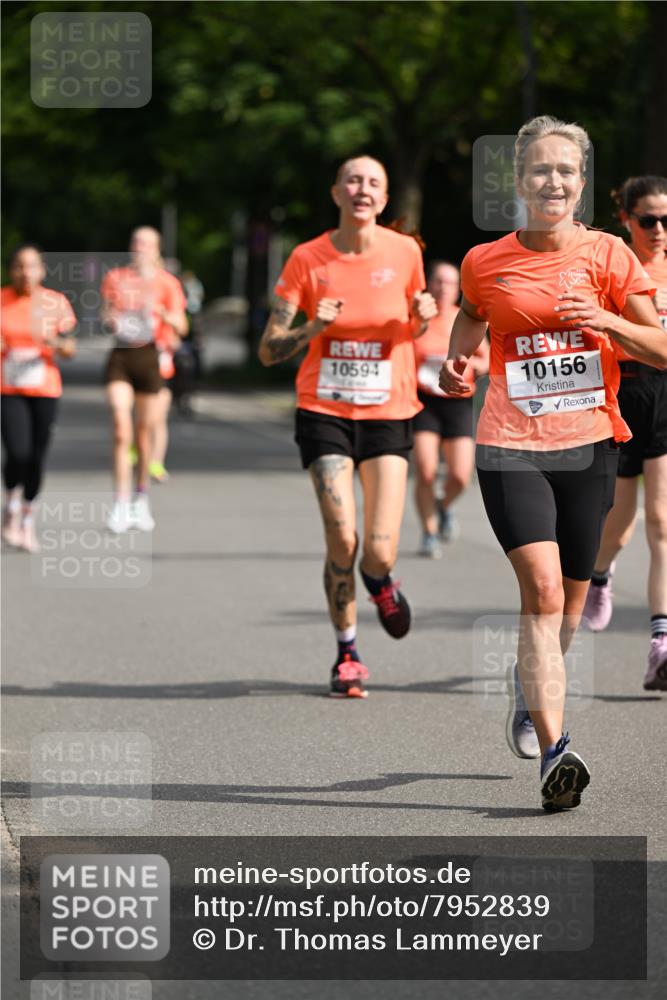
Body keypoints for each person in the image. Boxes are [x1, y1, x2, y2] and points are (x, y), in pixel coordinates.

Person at [439, 116, 665, 810]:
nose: (553, 180)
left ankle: (527, 686)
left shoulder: (608, 257)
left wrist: (609, 324)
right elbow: (474, 317)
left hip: (590, 445)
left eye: (566, 170)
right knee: (538, 591)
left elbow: (658, 347)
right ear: (518, 179)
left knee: (565, 606)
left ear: (581, 181)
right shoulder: (484, 261)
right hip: (511, 445)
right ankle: (555, 752)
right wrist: (458, 362)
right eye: (540, 169)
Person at [258, 155, 436, 699]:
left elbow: (415, 321)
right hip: (325, 412)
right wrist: (316, 325)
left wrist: (425, 316)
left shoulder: (406, 252)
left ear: (384, 201)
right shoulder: (307, 258)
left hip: (387, 413)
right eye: (353, 180)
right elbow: (269, 349)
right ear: (336, 192)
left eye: (374, 183)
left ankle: (380, 582)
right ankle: (348, 653)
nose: (362, 189)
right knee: (342, 537)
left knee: (378, 550)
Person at [582, 176, 667, 692]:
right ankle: (599, 572)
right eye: (649, 220)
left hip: (666, 395)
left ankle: (661, 642)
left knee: (662, 522)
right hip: (622, 393)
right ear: (628, 220)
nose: (659, 230)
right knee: (621, 526)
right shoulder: (613, 264)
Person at [101, 227, 187, 532]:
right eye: (136, 242)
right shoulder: (116, 278)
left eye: (147, 243)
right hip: (122, 355)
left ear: (157, 249)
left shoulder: (167, 283)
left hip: (152, 357)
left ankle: (140, 498)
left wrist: (162, 314)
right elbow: (107, 313)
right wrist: (111, 319)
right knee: (121, 428)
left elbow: (182, 325)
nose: (141, 247)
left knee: (144, 431)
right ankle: (120, 502)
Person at [1, 244, 76, 552]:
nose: (26, 272)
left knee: (36, 457)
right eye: (20, 266)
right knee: (18, 453)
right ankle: (11, 503)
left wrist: (54, 342)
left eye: (32, 266)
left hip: (45, 388)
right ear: (11, 270)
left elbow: (70, 349)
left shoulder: (55, 302)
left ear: (42, 270)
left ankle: (28, 519)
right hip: (8, 389)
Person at [413, 260, 489, 557]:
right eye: (438, 282)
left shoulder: (466, 318)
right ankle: (429, 533)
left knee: (460, 475)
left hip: (458, 402)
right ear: (429, 285)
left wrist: (466, 366)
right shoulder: (418, 320)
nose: (443, 288)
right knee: (425, 470)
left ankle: (443, 506)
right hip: (424, 402)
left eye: (449, 283)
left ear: (458, 288)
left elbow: (488, 361)